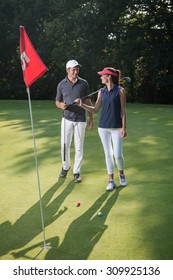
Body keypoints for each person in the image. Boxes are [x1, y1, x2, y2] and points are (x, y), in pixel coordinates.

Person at [75, 67, 127, 190]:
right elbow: (95, 109)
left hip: (117, 127)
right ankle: (111, 180)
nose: (100, 77)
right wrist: (82, 105)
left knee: (118, 154)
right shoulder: (101, 92)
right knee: (108, 154)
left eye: (102, 75)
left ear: (108, 76)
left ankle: (122, 174)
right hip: (103, 127)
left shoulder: (120, 91)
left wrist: (124, 128)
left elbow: (123, 111)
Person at [55, 59, 93, 183]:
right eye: (73, 69)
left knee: (79, 147)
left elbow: (88, 101)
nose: (76, 71)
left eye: (77, 69)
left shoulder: (84, 83)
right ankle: (65, 167)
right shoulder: (61, 84)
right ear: (67, 70)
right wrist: (61, 105)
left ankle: (76, 171)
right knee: (64, 145)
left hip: (80, 119)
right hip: (66, 118)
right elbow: (57, 101)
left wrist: (91, 118)